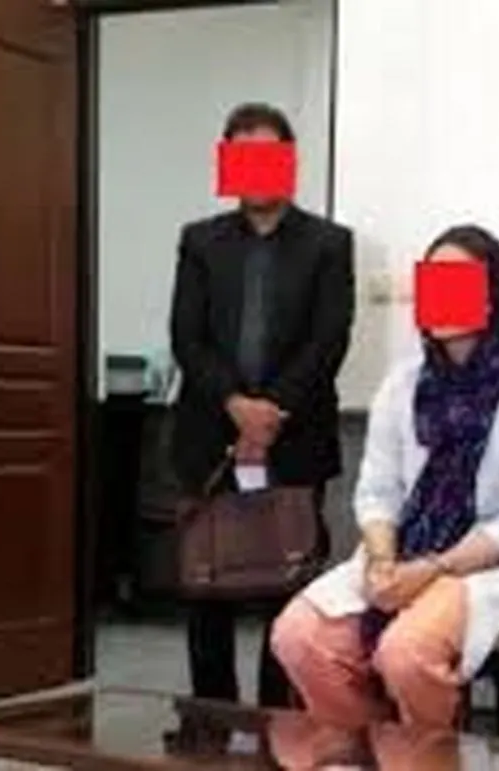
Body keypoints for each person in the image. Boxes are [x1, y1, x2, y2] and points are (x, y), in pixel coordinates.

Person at [270, 225, 499, 728]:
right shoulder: (403, 385)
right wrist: (384, 561)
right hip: (400, 553)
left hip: (482, 570)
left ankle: (426, 757)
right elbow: (377, 491)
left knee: (405, 652)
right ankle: (372, 751)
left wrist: (430, 569)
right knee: (297, 636)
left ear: (493, 297)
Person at [168, 102, 355, 708]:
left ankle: (281, 728)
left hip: (295, 437)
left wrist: (271, 410)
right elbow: (186, 336)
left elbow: (329, 339)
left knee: (289, 587)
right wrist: (235, 405)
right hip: (210, 436)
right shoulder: (200, 241)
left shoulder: (329, 244)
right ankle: (212, 722)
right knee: (207, 587)